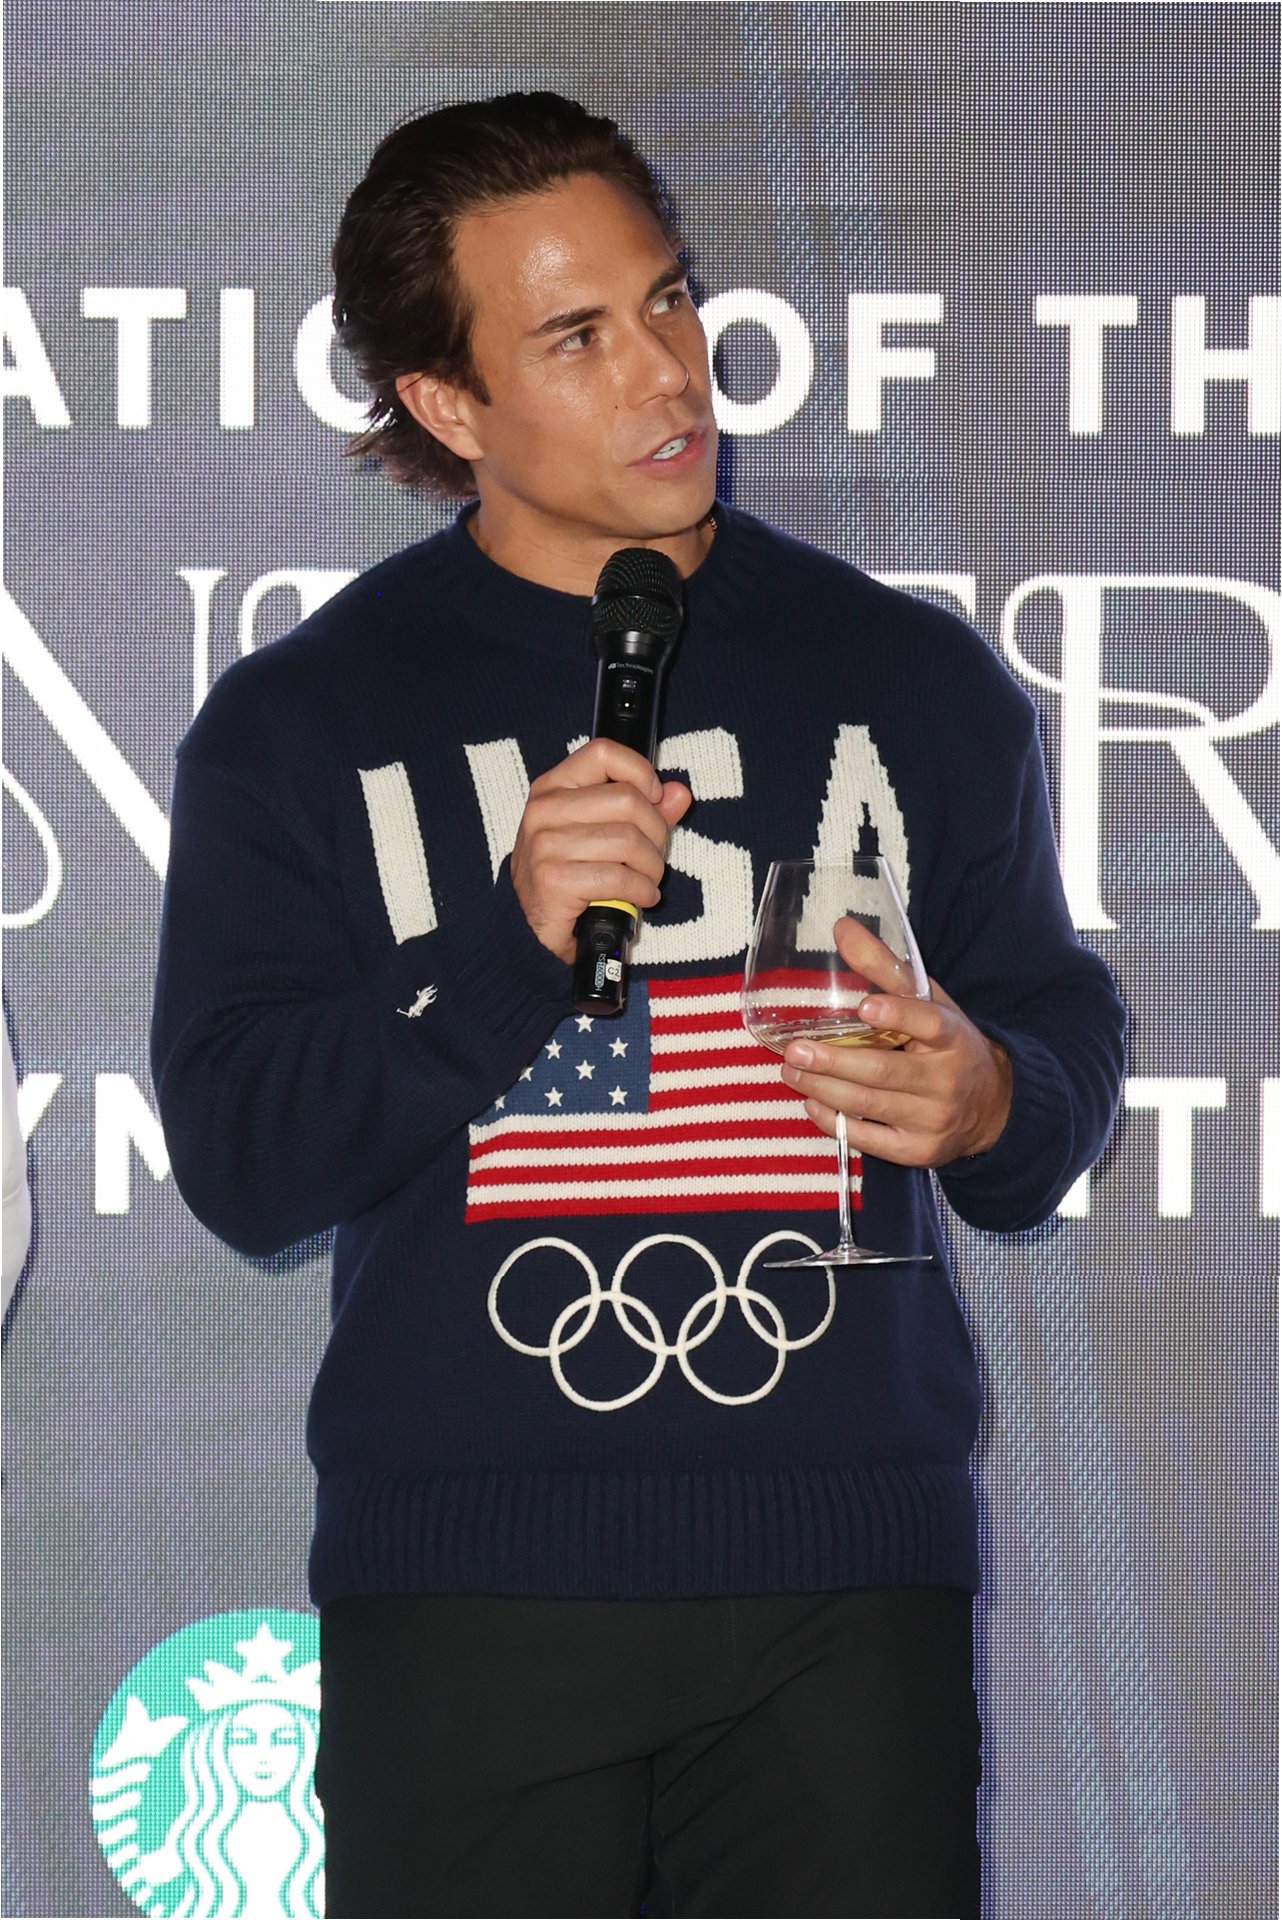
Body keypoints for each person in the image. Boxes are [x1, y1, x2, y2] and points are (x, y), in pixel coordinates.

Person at [151, 92, 1126, 1919]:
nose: (667, 372)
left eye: (667, 298)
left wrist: (993, 1096)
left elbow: (1051, 1029)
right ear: (449, 407)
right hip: (467, 1591)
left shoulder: (906, 675)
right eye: (576, 337)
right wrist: (507, 944)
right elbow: (240, 1158)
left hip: (847, 1586)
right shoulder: (301, 720)